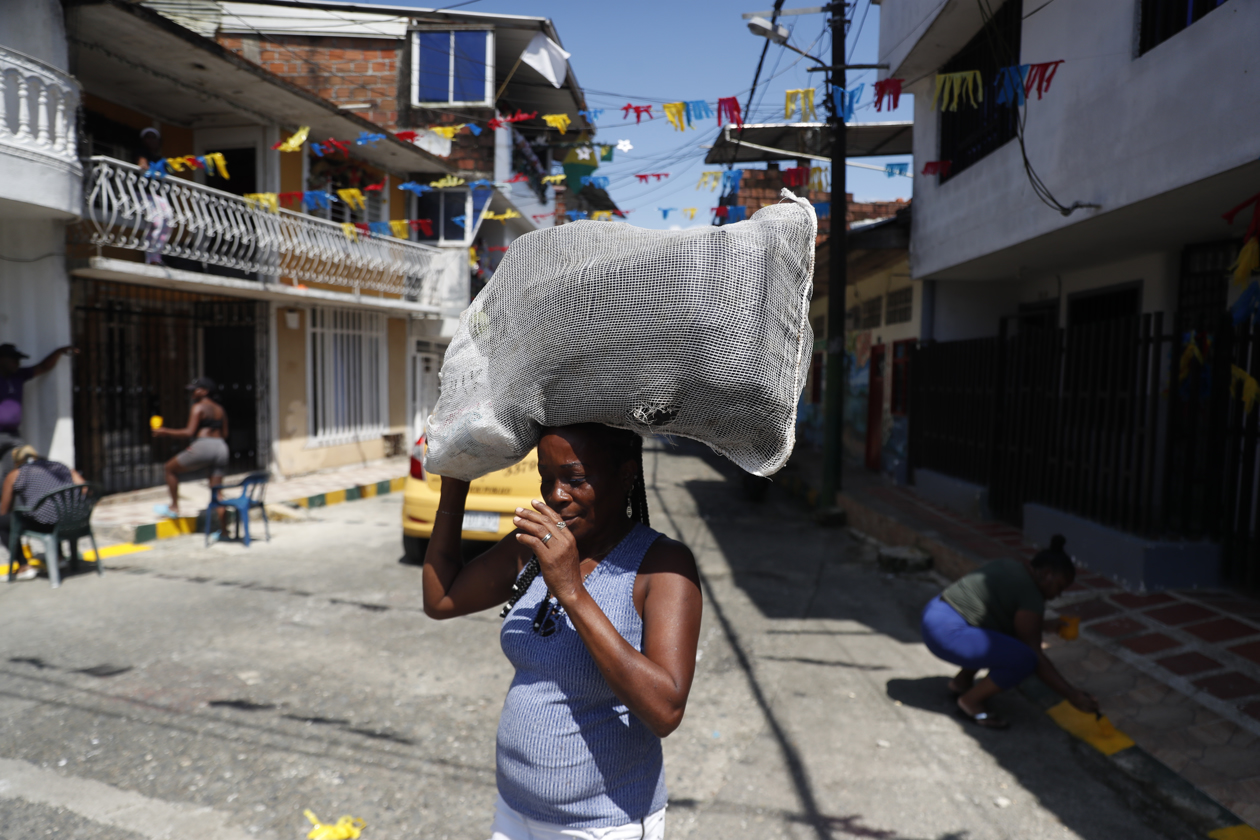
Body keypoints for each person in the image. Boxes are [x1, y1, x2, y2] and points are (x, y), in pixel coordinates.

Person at [423, 424, 702, 840]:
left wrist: (571, 590)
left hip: (603, 824)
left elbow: (665, 710)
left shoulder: (662, 565)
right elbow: (441, 599)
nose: (556, 495)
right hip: (515, 811)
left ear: (626, 475)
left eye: (575, 479)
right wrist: (455, 482)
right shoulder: (534, 548)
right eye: (546, 478)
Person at [921, 535, 1100, 730]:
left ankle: (961, 683)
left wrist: (1046, 625)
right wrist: (1071, 694)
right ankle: (970, 702)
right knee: (1024, 659)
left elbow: (1006, 616)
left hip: (935, 614)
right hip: (947, 634)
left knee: (1003, 635)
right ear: (1047, 573)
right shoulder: (1031, 595)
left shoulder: (1009, 565)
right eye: (1059, 586)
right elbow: (1035, 654)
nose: (1058, 594)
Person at [0, 445, 86, 581]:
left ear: (16, 461)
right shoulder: (61, 466)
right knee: (53, 509)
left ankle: (23, 567)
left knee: (4, 522)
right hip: (75, 520)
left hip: (47, 524)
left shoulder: (16, 474)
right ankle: (59, 557)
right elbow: (85, 488)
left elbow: (4, 511)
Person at [152, 378, 229, 525]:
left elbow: (189, 432)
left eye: (195, 389)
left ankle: (174, 507)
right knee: (217, 493)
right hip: (221, 447)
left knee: (169, 468)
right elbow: (225, 434)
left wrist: (165, 431)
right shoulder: (220, 409)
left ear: (205, 391)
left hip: (203, 446)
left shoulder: (198, 407)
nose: (192, 392)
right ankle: (224, 532)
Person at [0, 342, 77, 487]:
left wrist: (59, 351)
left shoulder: (18, 375)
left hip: (12, 436)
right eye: (14, 359)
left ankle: (5, 508)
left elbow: (43, 367)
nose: (18, 363)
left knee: (13, 474)